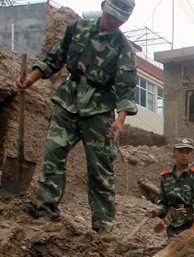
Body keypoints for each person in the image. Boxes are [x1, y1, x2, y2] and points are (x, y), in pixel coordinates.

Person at [18, 0, 138, 242]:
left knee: (100, 167)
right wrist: (32, 77)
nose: (114, 21)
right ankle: (46, 213)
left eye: (120, 19)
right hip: (67, 101)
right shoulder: (77, 29)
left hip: (99, 110)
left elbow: (126, 89)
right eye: (111, 15)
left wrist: (120, 120)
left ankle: (103, 226)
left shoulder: (124, 48)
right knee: (53, 154)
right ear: (103, 7)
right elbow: (56, 57)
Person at [147, 138, 194, 247]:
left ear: (191, 154)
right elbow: (163, 201)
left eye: (187, 152)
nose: (184, 155)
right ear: (174, 152)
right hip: (173, 227)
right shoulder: (166, 177)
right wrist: (157, 212)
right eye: (181, 151)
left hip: (192, 223)